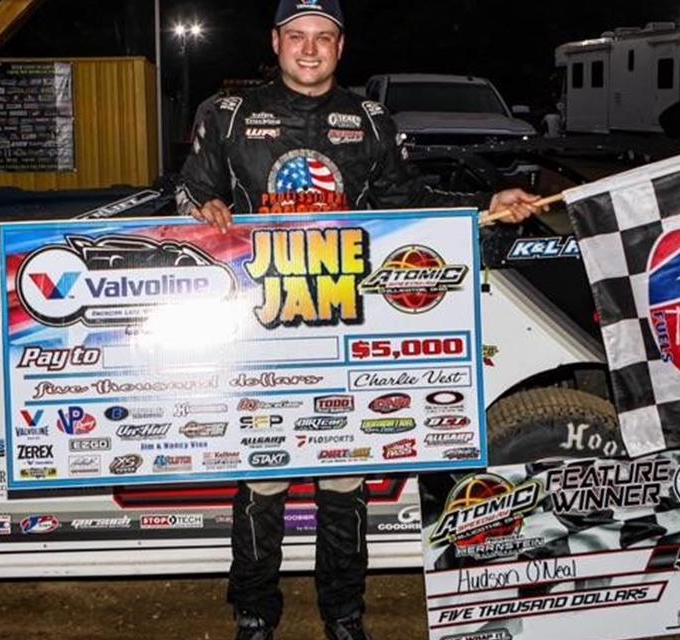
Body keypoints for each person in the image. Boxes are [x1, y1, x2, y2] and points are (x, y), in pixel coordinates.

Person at [177, 2, 544, 639]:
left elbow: (411, 205)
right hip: (258, 327)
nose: (310, 49)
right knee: (262, 483)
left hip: (347, 328)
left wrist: (488, 204)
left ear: (341, 46)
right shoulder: (227, 114)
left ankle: (345, 615)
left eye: (323, 37)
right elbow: (186, 191)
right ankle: (256, 616)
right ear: (276, 41)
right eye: (297, 37)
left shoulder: (370, 120)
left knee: (343, 479)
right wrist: (201, 207)